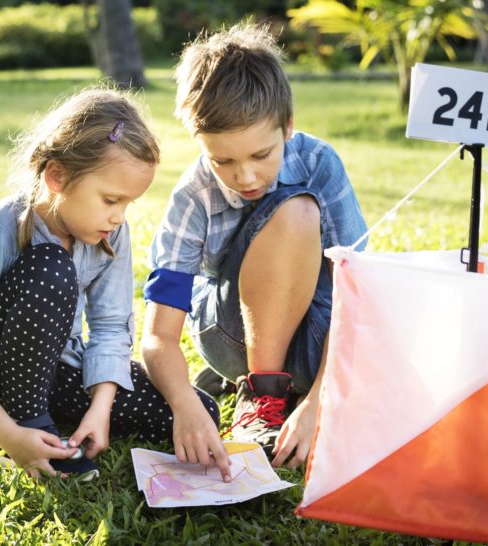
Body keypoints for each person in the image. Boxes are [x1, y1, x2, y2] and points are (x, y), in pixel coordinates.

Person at [0, 88, 220, 481]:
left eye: (128, 204)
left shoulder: (111, 233)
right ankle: (22, 428)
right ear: (57, 176)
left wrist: (100, 409)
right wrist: (8, 433)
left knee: (199, 412)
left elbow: (111, 326)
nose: (119, 217)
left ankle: (53, 417)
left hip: (59, 368)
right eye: (111, 199)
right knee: (51, 268)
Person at [140, 24, 367, 480]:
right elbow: (160, 336)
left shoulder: (320, 163)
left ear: (288, 125)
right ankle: (261, 396)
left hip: (320, 338)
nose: (245, 177)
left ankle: (296, 388)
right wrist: (184, 404)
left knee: (300, 207)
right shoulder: (194, 197)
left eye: (262, 154)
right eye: (222, 160)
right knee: (297, 211)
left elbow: (359, 297)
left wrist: (322, 396)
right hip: (230, 335)